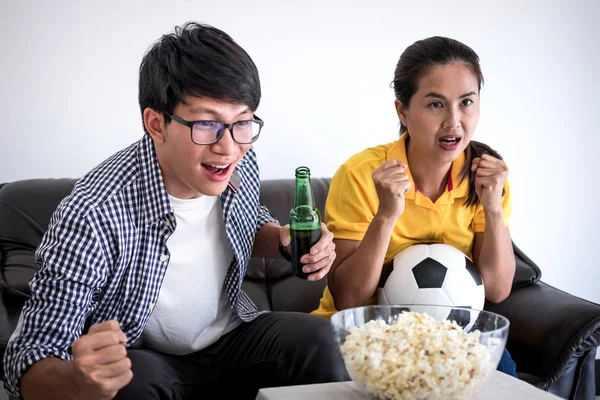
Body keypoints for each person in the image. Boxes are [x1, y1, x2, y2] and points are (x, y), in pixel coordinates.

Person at [3, 21, 349, 400]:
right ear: (157, 124)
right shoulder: (93, 211)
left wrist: (283, 240)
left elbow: (247, 223)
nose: (228, 147)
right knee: (132, 382)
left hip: (231, 340)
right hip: (149, 361)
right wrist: (79, 381)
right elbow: (28, 354)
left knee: (317, 338)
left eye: (242, 122)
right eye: (206, 124)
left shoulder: (239, 161)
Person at [310, 36, 517, 376]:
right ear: (402, 111)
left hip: (455, 337)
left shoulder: (487, 175)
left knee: (505, 383)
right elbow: (348, 299)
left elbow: (496, 289)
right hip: (367, 335)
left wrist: (493, 208)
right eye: (436, 104)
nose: (453, 121)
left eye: (466, 102)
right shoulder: (360, 175)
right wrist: (387, 214)